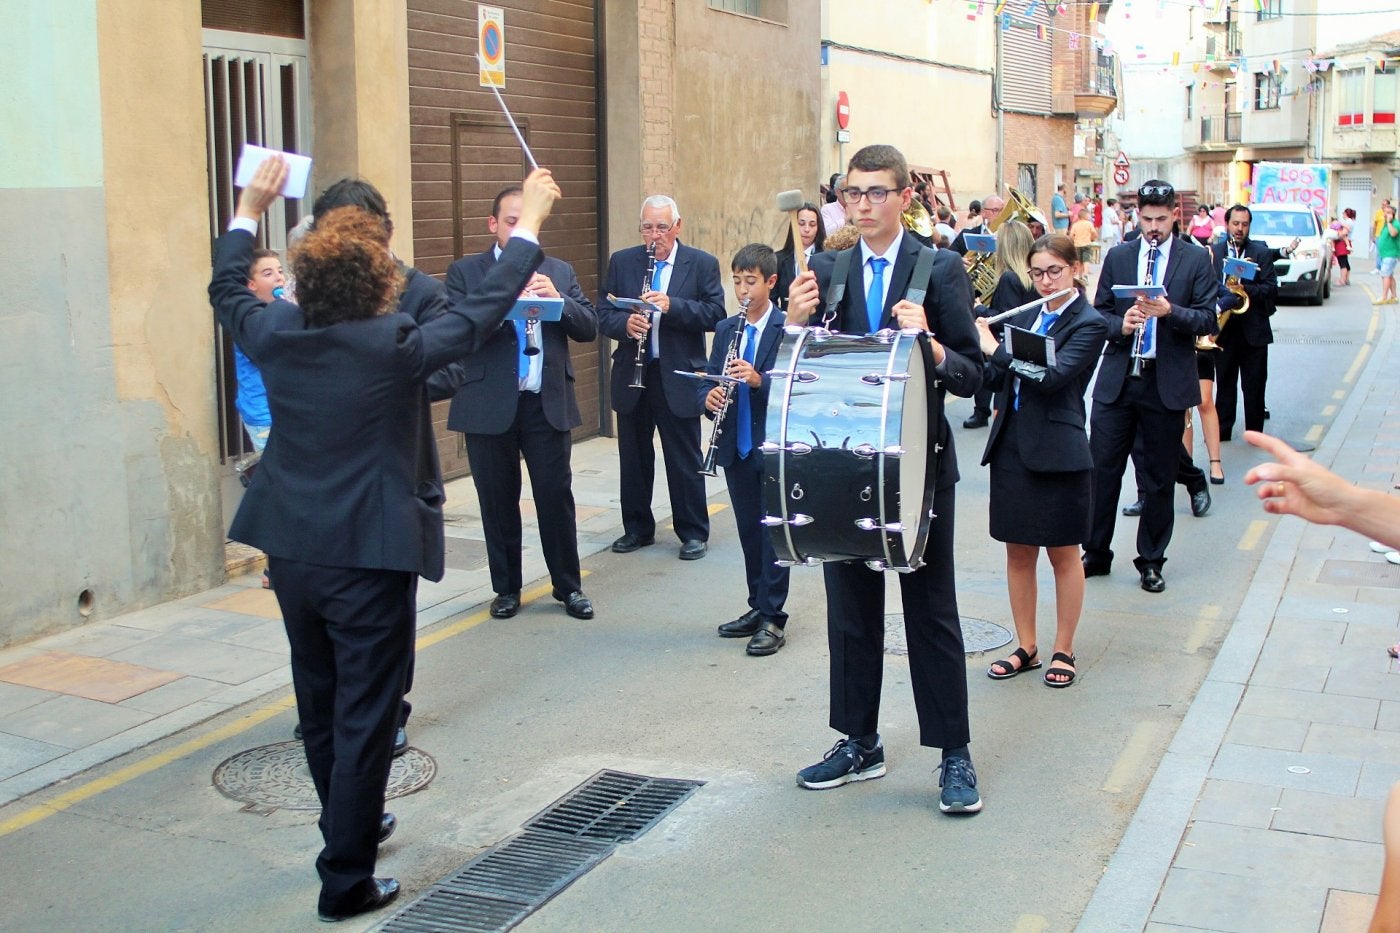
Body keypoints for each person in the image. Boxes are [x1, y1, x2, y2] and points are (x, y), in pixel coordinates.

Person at [212, 156, 559, 922]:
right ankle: (346, 877)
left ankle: (347, 832)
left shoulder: (274, 329)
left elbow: (227, 290)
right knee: (367, 715)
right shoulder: (393, 342)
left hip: (292, 550)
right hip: (368, 555)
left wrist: (246, 208)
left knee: (320, 701)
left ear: (302, 276)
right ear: (379, 281)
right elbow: (487, 308)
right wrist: (529, 222)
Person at [785, 144, 985, 813]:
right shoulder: (825, 266)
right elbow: (796, 365)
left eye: (876, 192)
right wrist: (793, 321)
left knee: (930, 612)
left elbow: (975, 374)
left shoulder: (941, 269)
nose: (862, 204)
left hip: (918, 468)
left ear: (905, 197)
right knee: (851, 612)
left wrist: (930, 342)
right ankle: (858, 739)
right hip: (842, 459)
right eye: (852, 193)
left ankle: (954, 753)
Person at [444, 186, 598, 623]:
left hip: (544, 402)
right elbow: (459, 330)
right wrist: (506, 297)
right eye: (509, 221)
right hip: (489, 403)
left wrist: (558, 300)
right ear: (493, 225)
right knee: (497, 500)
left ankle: (568, 586)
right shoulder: (466, 272)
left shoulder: (558, 270)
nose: (517, 227)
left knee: (555, 497)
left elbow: (588, 326)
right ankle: (507, 588)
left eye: (524, 220)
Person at [976, 234, 1107, 687]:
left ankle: (1064, 649)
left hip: (1058, 450)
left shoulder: (1089, 323)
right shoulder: (1028, 315)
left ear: (1075, 270)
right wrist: (979, 343)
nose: (1046, 281)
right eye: (1037, 273)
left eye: (1055, 271)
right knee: (1018, 551)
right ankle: (1026, 645)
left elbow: (1052, 378)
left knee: (1064, 553)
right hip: (1012, 444)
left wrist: (998, 350)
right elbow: (997, 377)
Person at [1082, 181, 1217, 594]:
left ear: (1175, 214)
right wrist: (1118, 327)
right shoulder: (1120, 255)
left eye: (1161, 219)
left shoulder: (1195, 259)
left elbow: (1208, 319)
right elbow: (1098, 313)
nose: (1154, 228)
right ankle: (1096, 552)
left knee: (1158, 478)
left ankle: (1152, 561)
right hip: (1119, 380)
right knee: (1101, 471)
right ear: (1137, 215)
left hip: (1165, 382)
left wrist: (1170, 312)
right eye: (1147, 219)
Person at [597, 195, 726, 560]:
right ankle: (637, 529)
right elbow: (602, 312)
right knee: (634, 458)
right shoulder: (623, 262)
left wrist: (672, 306)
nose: (654, 236)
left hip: (678, 374)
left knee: (682, 457)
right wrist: (626, 323)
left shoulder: (700, 263)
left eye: (662, 227)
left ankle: (693, 531)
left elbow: (716, 314)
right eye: (647, 227)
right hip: (633, 373)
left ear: (677, 227)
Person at [701, 244, 791, 656]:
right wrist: (709, 398)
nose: (742, 290)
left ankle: (774, 617)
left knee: (774, 535)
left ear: (771, 282)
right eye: (736, 281)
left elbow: (797, 385)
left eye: (750, 282)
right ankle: (757, 606)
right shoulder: (725, 330)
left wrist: (759, 380)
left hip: (771, 448)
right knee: (749, 535)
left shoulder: (787, 328)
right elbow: (709, 379)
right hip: (734, 448)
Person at [1210, 205, 1279, 442]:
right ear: (1227, 224)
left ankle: (1255, 434)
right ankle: (1222, 431)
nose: (1240, 229)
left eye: (1244, 224)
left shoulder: (1261, 252)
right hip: (1224, 330)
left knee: (1255, 385)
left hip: (1254, 330)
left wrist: (1244, 289)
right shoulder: (1214, 252)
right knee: (1225, 384)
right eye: (1236, 223)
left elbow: (1271, 287)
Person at [963, 220, 1036, 430]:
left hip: (1005, 344)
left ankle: (984, 414)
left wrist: (979, 309)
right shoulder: (1031, 276)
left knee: (1002, 406)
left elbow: (1006, 318)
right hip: (1024, 344)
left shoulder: (1009, 278)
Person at [774, 202, 825, 310]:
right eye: (801, 224)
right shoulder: (779, 259)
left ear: (818, 228)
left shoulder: (827, 259)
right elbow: (770, 299)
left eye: (812, 224)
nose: (807, 229)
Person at [1377, 203, 1399, 306]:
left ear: (1393, 214)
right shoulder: (1386, 224)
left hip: (1390, 254)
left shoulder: (1395, 224)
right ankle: (1394, 296)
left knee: (1385, 275)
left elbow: (1393, 233)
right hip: (1385, 254)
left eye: (1388, 213)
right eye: (1385, 212)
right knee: (1389, 275)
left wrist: (1389, 222)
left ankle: (1384, 296)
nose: (1385, 214)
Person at [1333, 208, 1354, 287]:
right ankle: (1346, 279)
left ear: (1346, 214)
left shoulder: (1347, 222)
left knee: (1342, 262)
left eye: (1343, 213)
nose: (1342, 215)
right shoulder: (1350, 222)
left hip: (1342, 243)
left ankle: (1342, 280)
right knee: (1345, 261)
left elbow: (1344, 232)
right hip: (1345, 243)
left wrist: (1337, 234)